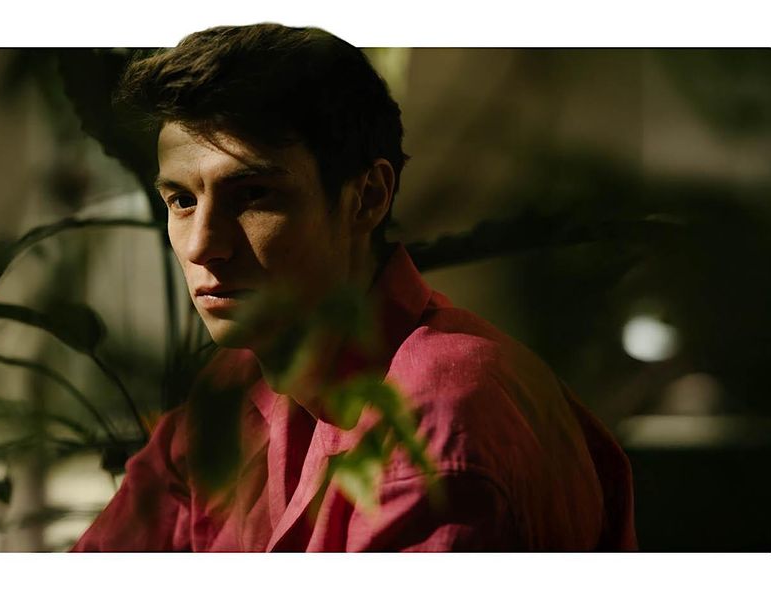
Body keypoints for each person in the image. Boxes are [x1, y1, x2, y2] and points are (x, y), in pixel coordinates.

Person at [72, 23, 637, 551]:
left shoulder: (439, 418)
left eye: (253, 196)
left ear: (367, 197)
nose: (202, 245)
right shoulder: (239, 387)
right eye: (182, 200)